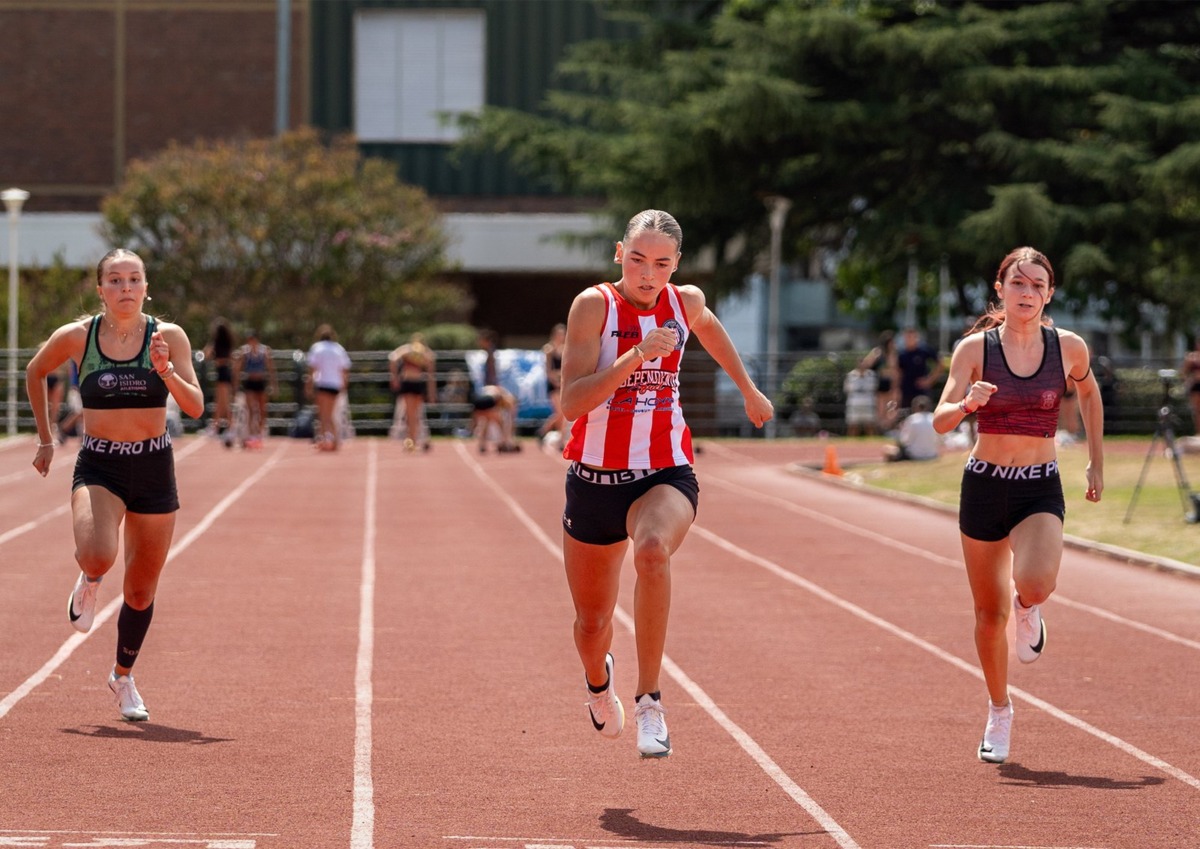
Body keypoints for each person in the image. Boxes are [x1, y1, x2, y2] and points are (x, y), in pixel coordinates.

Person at [559, 209, 773, 758]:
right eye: (636, 259)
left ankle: (650, 698)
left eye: (660, 263)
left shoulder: (687, 302)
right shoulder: (593, 306)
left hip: (664, 471)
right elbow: (572, 404)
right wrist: (636, 354)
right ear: (618, 254)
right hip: (595, 481)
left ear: (676, 265)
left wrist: (748, 390)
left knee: (653, 551)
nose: (647, 274)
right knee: (591, 625)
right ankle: (598, 683)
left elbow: (712, 330)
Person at [932, 246, 1103, 765]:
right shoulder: (974, 350)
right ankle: (1000, 711)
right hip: (984, 484)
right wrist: (967, 405)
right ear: (1000, 289)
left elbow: (1090, 396)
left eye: (1037, 286)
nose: (1027, 294)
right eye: (1018, 284)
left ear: (1049, 294)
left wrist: (1096, 463)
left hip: (1038, 486)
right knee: (988, 614)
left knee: (1035, 583)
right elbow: (940, 420)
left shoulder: (1068, 347)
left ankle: (1030, 610)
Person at [24, 248, 204, 721]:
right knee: (98, 554)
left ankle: (122, 677)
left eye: (134, 279)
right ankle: (89, 579)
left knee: (141, 592)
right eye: (116, 280)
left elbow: (196, 407)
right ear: (100, 289)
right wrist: (46, 439)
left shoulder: (168, 337)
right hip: (100, 465)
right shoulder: (78, 338)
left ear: (147, 288)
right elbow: (35, 371)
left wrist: (164, 369)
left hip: (154, 465)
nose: (126, 288)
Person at [305, 324, 351, 451]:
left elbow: (312, 369)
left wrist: (308, 386)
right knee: (330, 415)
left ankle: (326, 440)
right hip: (335, 384)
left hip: (323, 383)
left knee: (323, 415)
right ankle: (333, 440)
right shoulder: (339, 349)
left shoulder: (317, 348)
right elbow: (345, 369)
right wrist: (344, 385)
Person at [388, 332, 436, 452]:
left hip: (412, 384)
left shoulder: (411, 351)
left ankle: (412, 441)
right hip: (414, 384)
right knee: (413, 415)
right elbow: (431, 374)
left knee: (413, 415)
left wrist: (394, 377)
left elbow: (392, 358)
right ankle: (412, 440)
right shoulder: (419, 352)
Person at [232, 328, 277, 448]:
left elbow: (271, 369)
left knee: (262, 410)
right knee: (251, 409)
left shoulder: (264, 351)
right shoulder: (244, 352)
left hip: (261, 382)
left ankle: (260, 432)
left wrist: (273, 385)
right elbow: (237, 369)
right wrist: (236, 385)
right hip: (250, 383)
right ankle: (252, 434)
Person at [203, 317, 236, 446]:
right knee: (220, 402)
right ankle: (216, 427)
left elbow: (207, 354)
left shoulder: (218, 343)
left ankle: (228, 427)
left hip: (222, 372)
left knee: (223, 403)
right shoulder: (227, 342)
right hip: (224, 372)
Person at [897, 326, 944, 412]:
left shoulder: (923, 350)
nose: (909, 339)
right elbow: (899, 373)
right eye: (907, 337)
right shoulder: (902, 354)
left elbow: (940, 364)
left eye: (912, 337)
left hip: (921, 389)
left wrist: (930, 380)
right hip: (906, 389)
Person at [538, 323, 569, 451]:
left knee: (563, 414)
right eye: (559, 334)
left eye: (563, 334)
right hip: (554, 384)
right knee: (560, 412)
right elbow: (548, 370)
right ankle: (545, 431)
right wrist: (555, 381)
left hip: (563, 383)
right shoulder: (548, 349)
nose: (561, 336)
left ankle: (559, 440)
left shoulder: (565, 349)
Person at [882, 395, 939, 461]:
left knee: (887, 449)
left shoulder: (912, 419)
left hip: (914, 455)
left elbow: (905, 440)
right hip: (932, 454)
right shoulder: (934, 418)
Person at [865, 330, 900, 431]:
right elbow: (867, 364)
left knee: (891, 408)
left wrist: (895, 385)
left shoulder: (893, 354)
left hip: (890, 383)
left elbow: (895, 370)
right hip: (880, 383)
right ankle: (880, 428)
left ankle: (888, 428)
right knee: (880, 408)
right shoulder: (878, 352)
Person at [843, 357, 879, 436]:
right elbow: (847, 389)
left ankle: (871, 444)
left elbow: (874, 388)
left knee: (869, 425)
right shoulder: (851, 375)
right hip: (854, 403)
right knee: (853, 425)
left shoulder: (871, 375)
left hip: (868, 402)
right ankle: (850, 444)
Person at [1182, 337, 1200, 435]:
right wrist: (1189, 381)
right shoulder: (1191, 358)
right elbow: (1184, 372)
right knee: (1197, 410)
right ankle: (1198, 432)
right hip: (1196, 386)